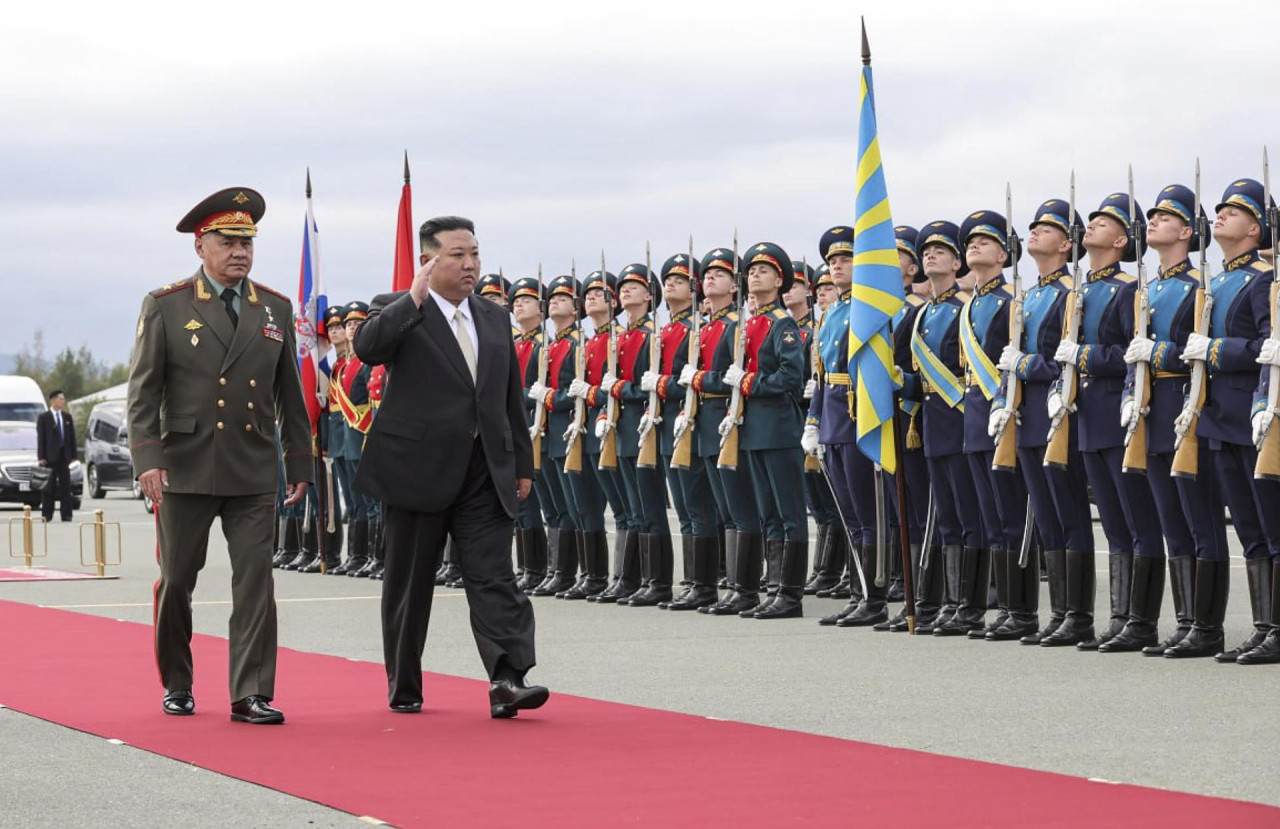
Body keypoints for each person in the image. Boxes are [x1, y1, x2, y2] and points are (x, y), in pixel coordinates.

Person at [128, 187, 312, 725]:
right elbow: (145, 391)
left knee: (255, 578)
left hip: (252, 464)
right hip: (183, 465)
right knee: (178, 579)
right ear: (200, 246)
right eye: (227, 242)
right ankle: (178, 682)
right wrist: (147, 459)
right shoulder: (167, 305)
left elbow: (289, 396)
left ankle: (250, 692)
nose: (240, 252)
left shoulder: (274, 307)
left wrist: (298, 462)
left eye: (247, 242)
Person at [352, 215, 547, 718]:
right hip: (418, 469)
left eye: (475, 253)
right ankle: (405, 683)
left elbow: (508, 396)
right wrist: (411, 298)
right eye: (457, 254)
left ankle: (508, 678)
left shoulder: (490, 315)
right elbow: (367, 349)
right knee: (409, 583)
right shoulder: (398, 309)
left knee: (494, 576)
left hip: (484, 470)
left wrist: (521, 464)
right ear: (428, 260)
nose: (470, 264)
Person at [1125, 185, 1229, 657]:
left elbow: (1197, 352)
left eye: (1165, 217)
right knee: (1172, 522)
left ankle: (1208, 627)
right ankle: (1187, 621)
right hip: (1152, 411)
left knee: (1201, 520)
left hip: (1186, 408)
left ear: (1187, 231)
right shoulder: (1149, 289)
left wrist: (1161, 352)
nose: (1154, 221)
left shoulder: (1197, 287)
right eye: (1153, 215)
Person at [1061, 193, 1165, 651]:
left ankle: (1141, 620)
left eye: (1103, 223)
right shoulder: (1081, 291)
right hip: (1087, 417)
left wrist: (1084, 356)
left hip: (1117, 413)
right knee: (1114, 526)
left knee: (1137, 521)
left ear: (1122, 239)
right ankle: (1120, 616)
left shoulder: (1127, 289)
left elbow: (1130, 350)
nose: (1092, 226)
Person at [1182, 180, 1277, 664]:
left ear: (1255, 228)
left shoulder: (1265, 279)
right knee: (1248, 527)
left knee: (1271, 522)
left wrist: (1217, 350)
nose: (1220, 215)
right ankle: (1265, 626)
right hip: (1217, 416)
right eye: (1219, 209)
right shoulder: (1214, 283)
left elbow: (1270, 346)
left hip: (1251, 415)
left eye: (1233, 211)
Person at [991, 199, 1093, 647]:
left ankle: (1080, 615)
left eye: (1046, 228)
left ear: (1067, 244)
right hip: (1026, 417)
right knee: (1048, 519)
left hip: (1057, 416)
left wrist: (1026, 365)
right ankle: (1059, 613)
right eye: (1032, 226)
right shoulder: (1028, 296)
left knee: (1070, 516)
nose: (1034, 232)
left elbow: (1064, 364)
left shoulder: (1073, 294)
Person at [902, 221, 986, 636]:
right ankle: (952, 603)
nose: (931, 255)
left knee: (969, 516)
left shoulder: (963, 310)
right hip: (933, 425)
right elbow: (920, 378)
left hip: (960, 421)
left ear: (957, 263)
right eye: (927, 251)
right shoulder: (923, 316)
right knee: (947, 518)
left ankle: (969, 606)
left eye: (941, 251)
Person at [957, 211, 1037, 641]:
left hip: (1001, 412)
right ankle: (1006, 607)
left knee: (1010, 515)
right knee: (991, 518)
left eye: (984, 242)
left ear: (1004, 255)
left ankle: (1022, 611)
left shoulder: (1011, 301)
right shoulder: (971, 302)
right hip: (973, 415)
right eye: (970, 241)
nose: (973, 246)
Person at [720, 242, 807, 619]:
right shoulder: (749, 324)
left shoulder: (782, 324)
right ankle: (771, 590)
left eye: (764, 271)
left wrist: (749, 382)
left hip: (777, 427)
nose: (755, 275)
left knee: (789, 513)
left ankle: (790, 594)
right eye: (752, 271)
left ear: (779, 280)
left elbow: (791, 377)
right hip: (753, 427)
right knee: (767, 512)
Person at [804, 226, 881, 627]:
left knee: (867, 515)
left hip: (858, 418)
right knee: (849, 515)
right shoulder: (833, 312)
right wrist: (814, 421)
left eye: (845, 258)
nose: (835, 265)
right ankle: (857, 594)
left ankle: (874, 597)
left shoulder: (871, 308)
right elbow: (821, 374)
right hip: (834, 420)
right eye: (832, 261)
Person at [36, 389, 76, 522]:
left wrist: (73, 456)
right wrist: (41, 457)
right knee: (48, 488)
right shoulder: (44, 418)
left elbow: (71, 438)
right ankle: (47, 514)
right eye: (61, 399)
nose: (63, 401)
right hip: (49, 458)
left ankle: (67, 514)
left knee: (66, 487)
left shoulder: (67, 417)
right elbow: (41, 438)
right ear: (53, 400)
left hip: (64, 457)